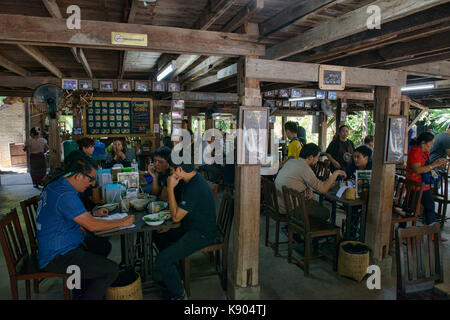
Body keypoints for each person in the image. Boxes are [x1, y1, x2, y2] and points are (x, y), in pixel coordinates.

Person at [36, 157, 135, 300]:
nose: (92, 184)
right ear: (78, 176)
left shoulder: (57, 185)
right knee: (111, 270)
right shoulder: (65, 194)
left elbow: (68, 214)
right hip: (57, 256)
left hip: (58, 244)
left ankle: (82, 289)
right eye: (90, 179)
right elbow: (92, 225)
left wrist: (92, 214)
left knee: (102, 246)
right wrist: (122, 222)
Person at [155, 156, 217, 300]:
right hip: (190, 226)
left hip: (202, 234)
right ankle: (173, 276)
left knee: (162, 260)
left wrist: (170, 188)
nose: (170, 174)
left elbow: (176, 217)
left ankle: (179, 294)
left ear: (180, 169)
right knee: (159, 236)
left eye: (171, 170)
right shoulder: (191, 180)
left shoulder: (194, 187)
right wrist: (169, 227)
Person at [275, 143, 347, 222]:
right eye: (317, 157)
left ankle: (299, 229)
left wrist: (307, 188)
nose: (317, 160)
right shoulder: (305, 168)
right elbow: (323, 189)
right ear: (310, 157)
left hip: (280, 204)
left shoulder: (292, 161)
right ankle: (306, 229)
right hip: (291, 208)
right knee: (326, 213)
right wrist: (336, 173)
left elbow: (295, 180)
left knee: (314, 204)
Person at [406, 132, 448, 241]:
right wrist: (434, 165)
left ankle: (433, 234)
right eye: (431, 143)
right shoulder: (414, 152)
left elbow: (426, 167)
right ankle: (402, 233)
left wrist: (437, 163)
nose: (432, 146)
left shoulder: (424, 152)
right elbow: (418, 169)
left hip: (423, 186)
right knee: (410, 211)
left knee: (428, 207)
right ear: (423, 143)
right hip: (416, 187)